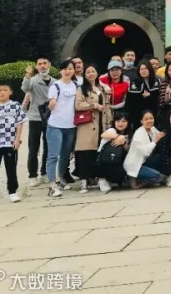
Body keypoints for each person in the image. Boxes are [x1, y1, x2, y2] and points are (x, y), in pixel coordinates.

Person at [46, 59, 79, 198]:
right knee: (53, 155)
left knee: (65, 155)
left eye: (70, 68)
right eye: (65, 69)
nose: (67, 71)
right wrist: (52, 103)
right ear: (60, 71)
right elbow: (51, 102)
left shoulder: (76, 85)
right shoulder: (55, 86)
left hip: (71, 126)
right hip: (55, 125)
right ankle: (51, 185)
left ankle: (60, 179)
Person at [74, 65, 108, 193]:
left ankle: (95, 178)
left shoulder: (101, 88)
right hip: (87, 124)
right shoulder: (81, 89)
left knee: (97, 152)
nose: (91, 74)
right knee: (84, 153)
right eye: (88, 72)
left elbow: (107, 105)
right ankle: (84, 181)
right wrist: (94, 105)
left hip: (100, 124)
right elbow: (78, 105)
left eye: (93, 71)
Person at [22, 56, 51, 187]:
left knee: (48, 147)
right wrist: (27, 75)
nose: (42, 66)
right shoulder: (33, 80)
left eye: (45, 63)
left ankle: (44, 172)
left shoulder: (54, 82)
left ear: (49, 65)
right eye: (39, 64)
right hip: (35, 117)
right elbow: (25, 88)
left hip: (50, 118)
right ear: (36, 66)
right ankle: (33, 175)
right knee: (33, 147)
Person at [143, 109, 171, 186]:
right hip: (161, 161)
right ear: (169, 119)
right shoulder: (164, 133)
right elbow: (163, 155)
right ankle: (168, 176)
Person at [97, 112, 131, 193]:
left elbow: (128, 150)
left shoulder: (128, 134)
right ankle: (102, 178)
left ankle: (111, 179)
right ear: (114, 122)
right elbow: (103, 135)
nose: (120, 124)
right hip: (103, 161)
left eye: (123, 121)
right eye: (118, 121)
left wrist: (124, 142)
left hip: (116, 161)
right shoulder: (112, 130)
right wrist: (118, 136)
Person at [127, 60, 160, 132]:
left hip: (153, 113)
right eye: (141, 69)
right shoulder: (134, 83)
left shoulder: (156, 81)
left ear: (149, 70)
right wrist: (141, 97)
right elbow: (130, 101)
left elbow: (158, 99)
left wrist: (149, 96)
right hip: (138, 115)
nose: (143, 71)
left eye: (146, 69)